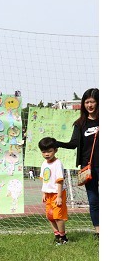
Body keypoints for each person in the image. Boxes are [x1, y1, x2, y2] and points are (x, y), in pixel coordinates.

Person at [55, 88, 99, 238]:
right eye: (86, 102)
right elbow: (73, 143)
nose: (89, 105)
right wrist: (56, 143)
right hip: (88, 167)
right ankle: (98, 231)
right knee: (93, 200)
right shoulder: (80, 124)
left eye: (92, 101)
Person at [38, 137, 69, 245]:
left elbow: (59, 181)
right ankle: (57, 235)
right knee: (50, 216)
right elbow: (45, 180)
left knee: (58, 216)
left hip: (57, 194)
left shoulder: (57, 163)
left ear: (55, 150)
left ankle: (63, 237)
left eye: (49, 151)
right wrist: (44, 193)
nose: (46, 154)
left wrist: (59, 196)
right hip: (48, 194)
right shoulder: (44, 164)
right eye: (44, 152)